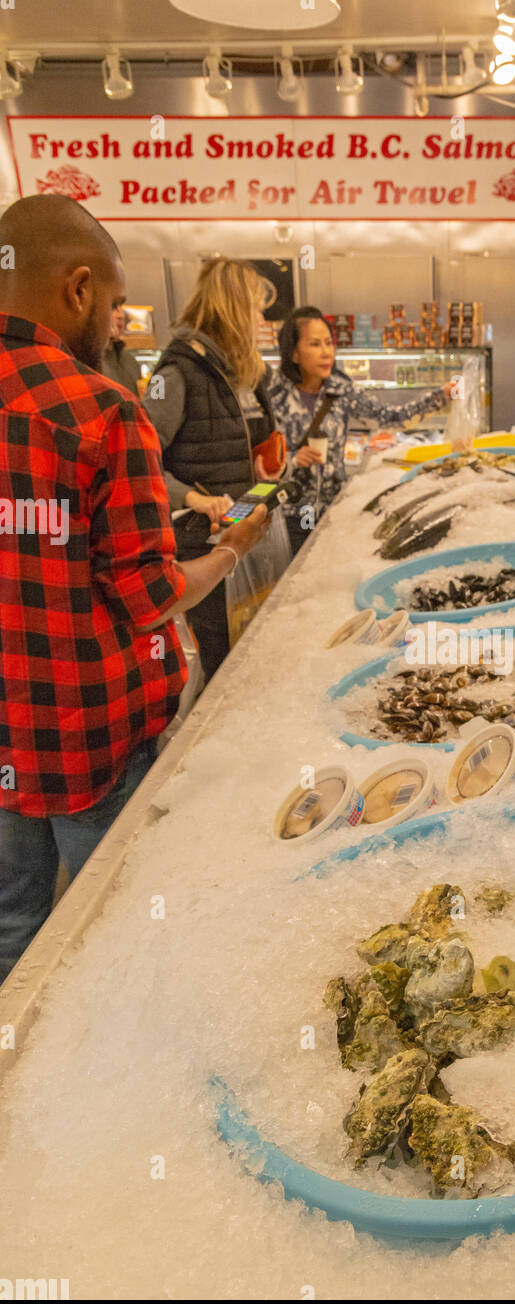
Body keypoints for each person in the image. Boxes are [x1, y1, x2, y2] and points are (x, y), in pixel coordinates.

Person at [0, 195, 269, 984]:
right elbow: (149, 595)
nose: (116, 323)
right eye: (115, 304)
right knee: (113, 932)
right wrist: (229, 550)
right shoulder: (99, 411)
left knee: (16, 921)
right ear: (78, 289)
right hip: (91, 735)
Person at [143, 258, 280, 682]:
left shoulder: (239, 370)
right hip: (202, 545)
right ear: (233, 309)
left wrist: (263, 465)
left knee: (255, 650)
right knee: (224, 663)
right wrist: (194, 497)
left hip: (244, 529)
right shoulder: (177, 373)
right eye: (256, 308)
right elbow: (139, 466)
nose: (262, 319)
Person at [267, 306, 460, 555]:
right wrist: (292, 459)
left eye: (329, 343)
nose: (326, 352)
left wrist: (440, 397)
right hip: (290, 515)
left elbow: (391, 417)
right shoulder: (274, 396)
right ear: (293, 353)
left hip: (332, 513)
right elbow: (261, 459)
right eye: (315, 344)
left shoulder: (341, 390)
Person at [100, 304, 142, 395]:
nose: (121, 316)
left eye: (121, 309)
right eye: (114, 308)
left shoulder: (130, 361)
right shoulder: (88, 361)